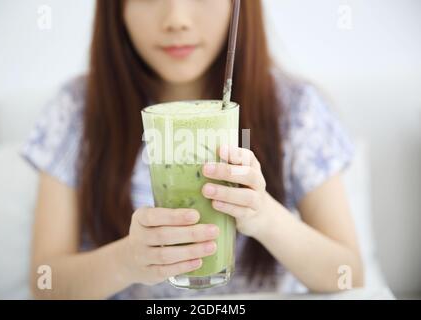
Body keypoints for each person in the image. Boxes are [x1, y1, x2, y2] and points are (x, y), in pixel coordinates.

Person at [22, 0, 363, 299]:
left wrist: (265, 217)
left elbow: (348, 273)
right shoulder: (77, 111)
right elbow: (46, 283)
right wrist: (129, 260)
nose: (177, 19)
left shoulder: (295, 109)